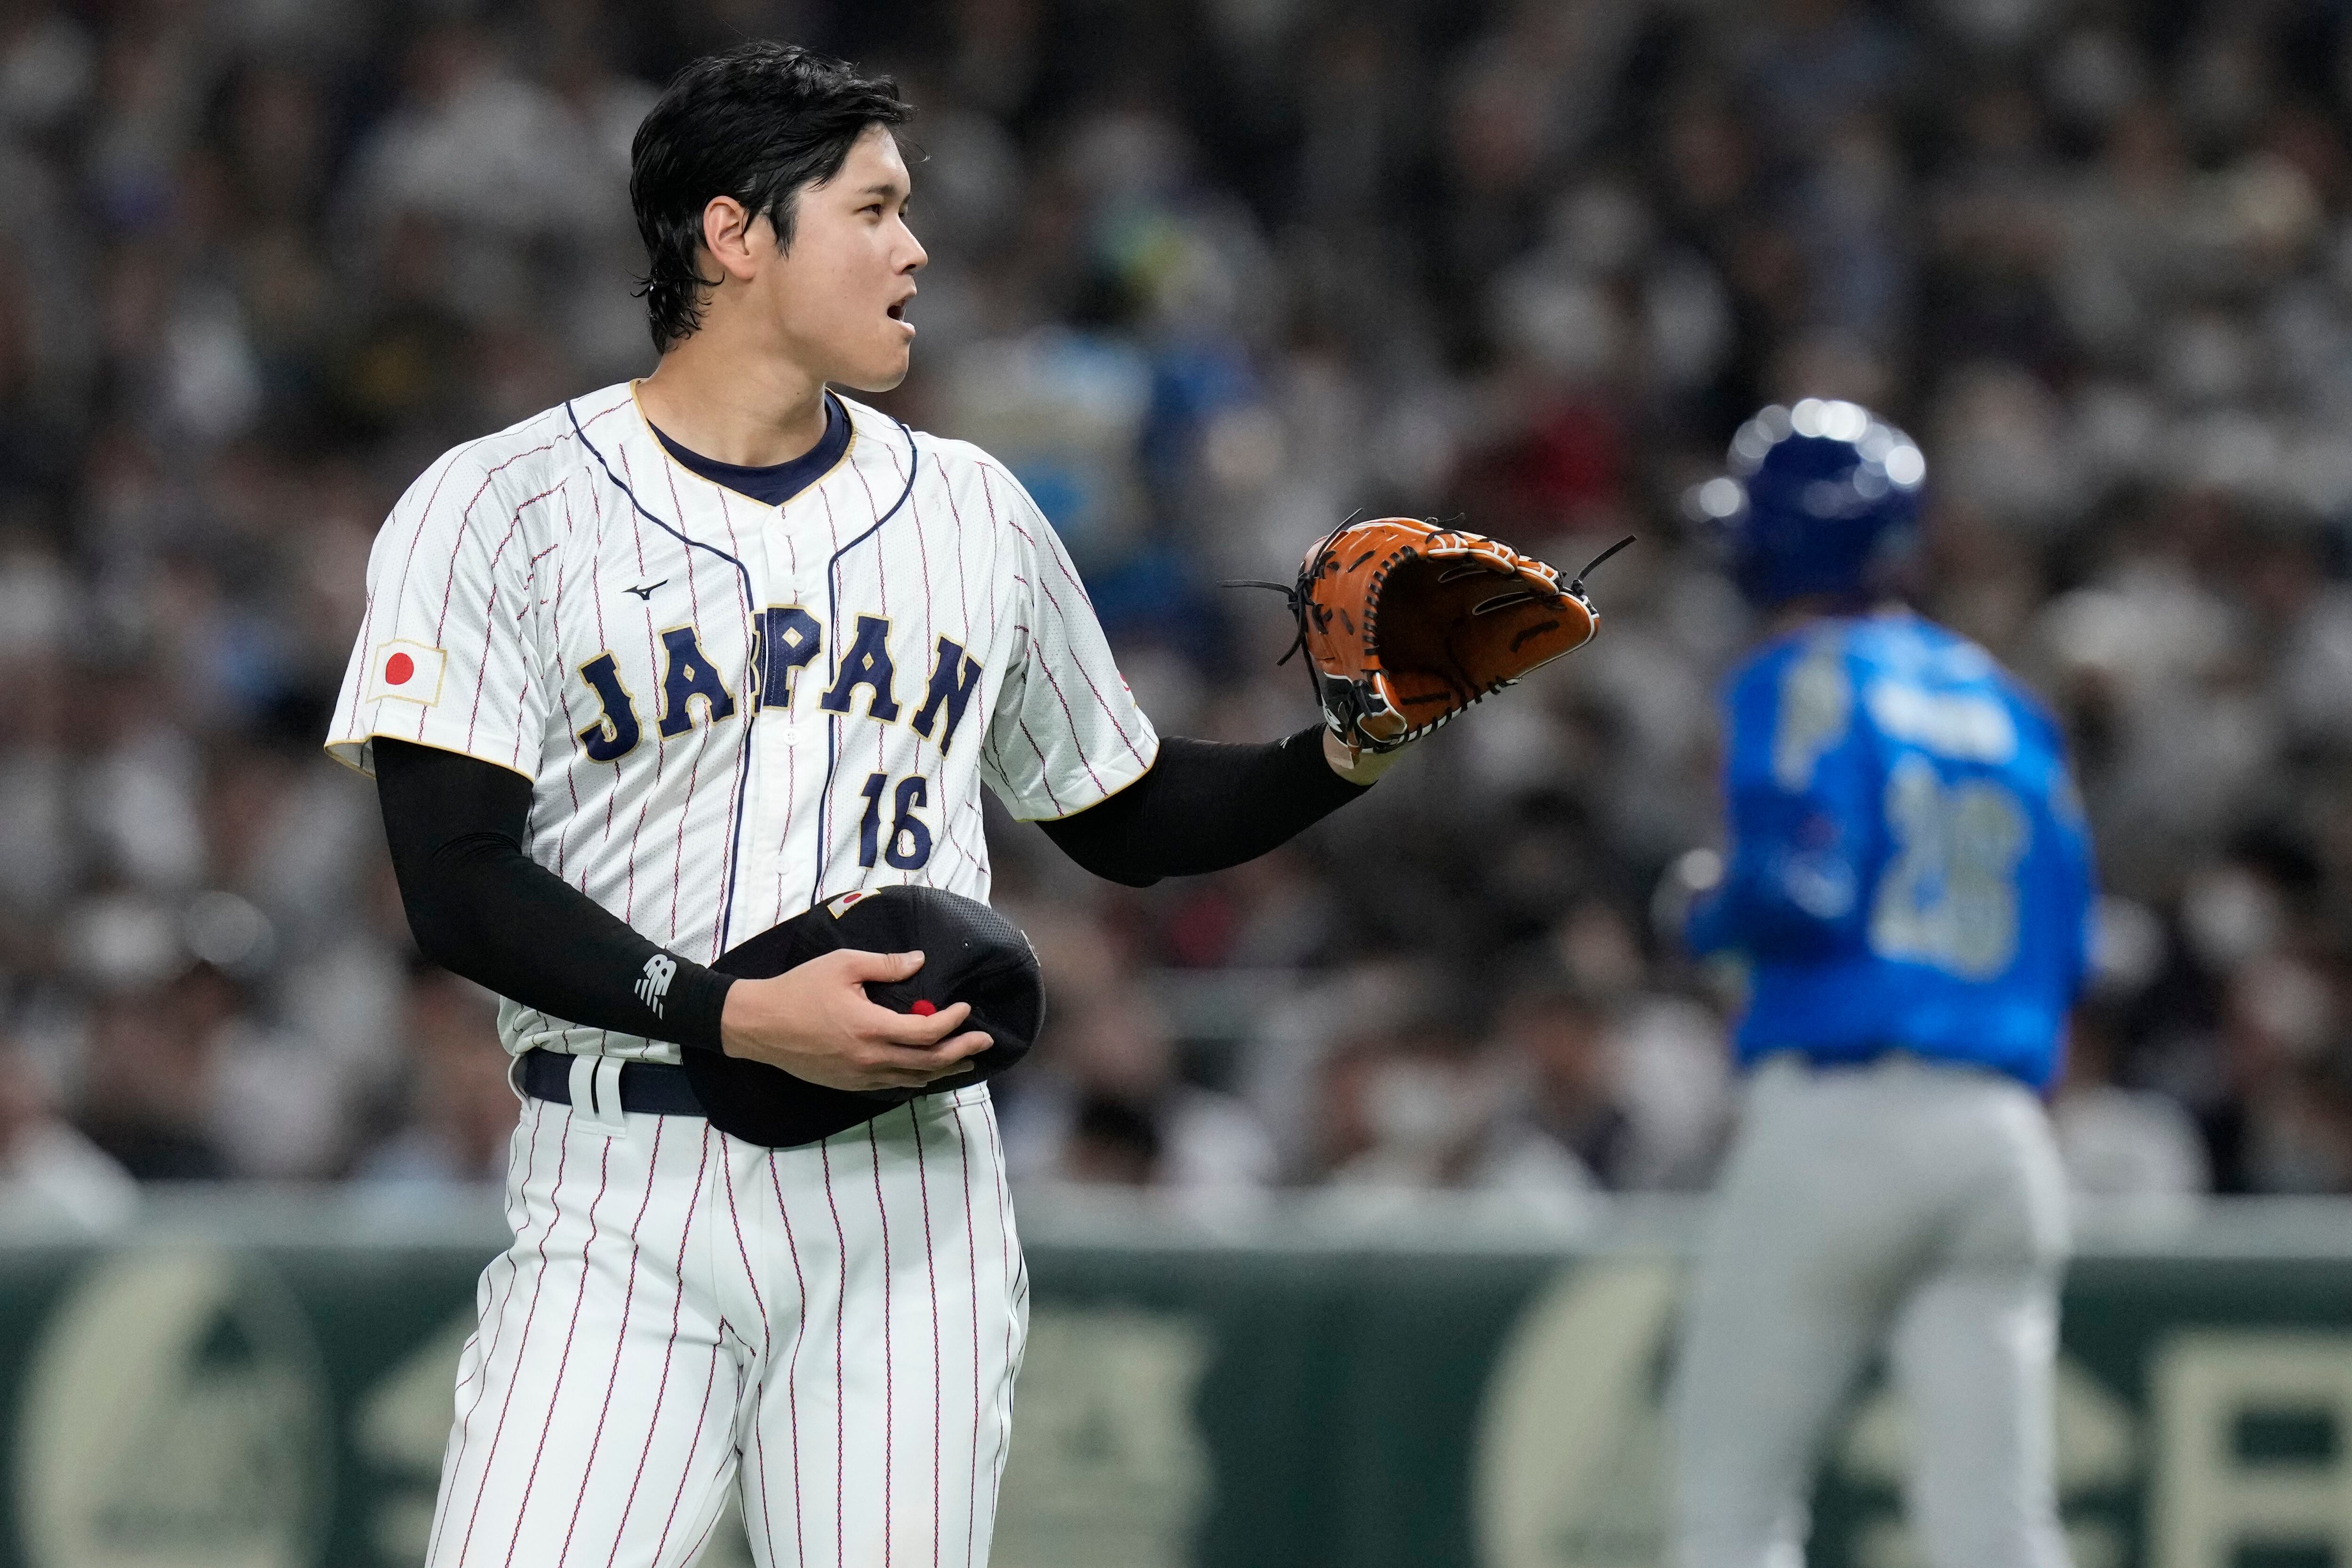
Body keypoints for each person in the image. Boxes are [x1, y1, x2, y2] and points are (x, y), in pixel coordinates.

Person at [324, 43, 1402, 1567]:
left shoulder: (972, 508)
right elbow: (457, 881)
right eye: (874, 208)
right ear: (736, 234)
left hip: (913, 1200)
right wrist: (727, 1012)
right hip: (626, 1188)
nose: (915, 250)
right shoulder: (503, 502)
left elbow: (1128, 812)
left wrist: (1352, 741)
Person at [1669, 400, 2095, 1568]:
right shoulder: (2011, 708)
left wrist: (1702, 909)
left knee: (1732, 1512)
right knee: (1996, 1528)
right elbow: (2071, 951)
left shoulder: (1804, 675)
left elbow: (1801, 886)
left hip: (1845, 1113)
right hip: (2002, 1132)